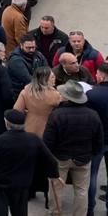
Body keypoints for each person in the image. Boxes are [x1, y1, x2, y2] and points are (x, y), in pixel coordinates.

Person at [0, 108, 61, 216]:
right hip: (22, 185)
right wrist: (55, 175)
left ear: (7, 123)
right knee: (20, 212)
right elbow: (51, 160)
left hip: (0, 185)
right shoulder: (33, 139)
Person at [43, 80, 104, 216]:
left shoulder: (56, 115)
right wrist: (91, 153)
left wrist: (49, 157)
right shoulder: (93, 115)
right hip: (83, 157)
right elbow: (99, 140)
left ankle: (56, 212)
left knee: (56, 188)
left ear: (66, 96)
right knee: (82, 190)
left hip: (60, 157)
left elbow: (48, 141)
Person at [13, 66, 62, 203]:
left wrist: (29, 112)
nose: (54, 79)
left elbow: (17, 110)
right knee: (44, 162)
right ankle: (45, 191)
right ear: (45, 79)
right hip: (47, 131)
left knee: (28, 162)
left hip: (29, 129)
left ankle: (29, 191)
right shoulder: (54, 95)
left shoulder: (27, 91)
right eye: (52, 77)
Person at [84, 64, 108, 216]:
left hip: (96, 140)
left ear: (102, 76)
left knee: (91, 176)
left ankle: (90, 210)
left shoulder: (92, 94)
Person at [6, 33, 49, 97]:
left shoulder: (39, 55)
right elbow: (27, 79)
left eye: (33, 47)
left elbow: (47, 71)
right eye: (28, 48)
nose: (31, 50)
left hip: (36, 88)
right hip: (20, 92)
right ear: (21, 45)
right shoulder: (15, 60)